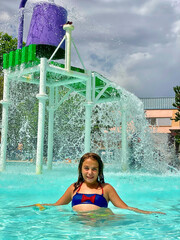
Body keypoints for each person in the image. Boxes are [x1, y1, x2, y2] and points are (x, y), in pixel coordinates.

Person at [20, 152, 165, 214]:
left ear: (99, 171)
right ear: (81, 169)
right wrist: (36, 205)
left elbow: (125, 208)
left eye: (94, 169)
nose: (90, 172)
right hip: (78, 222)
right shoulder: (74, 188)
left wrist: (148, 212)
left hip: (100, 221)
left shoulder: (106, 189)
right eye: (87, 168)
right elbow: (57, 205)